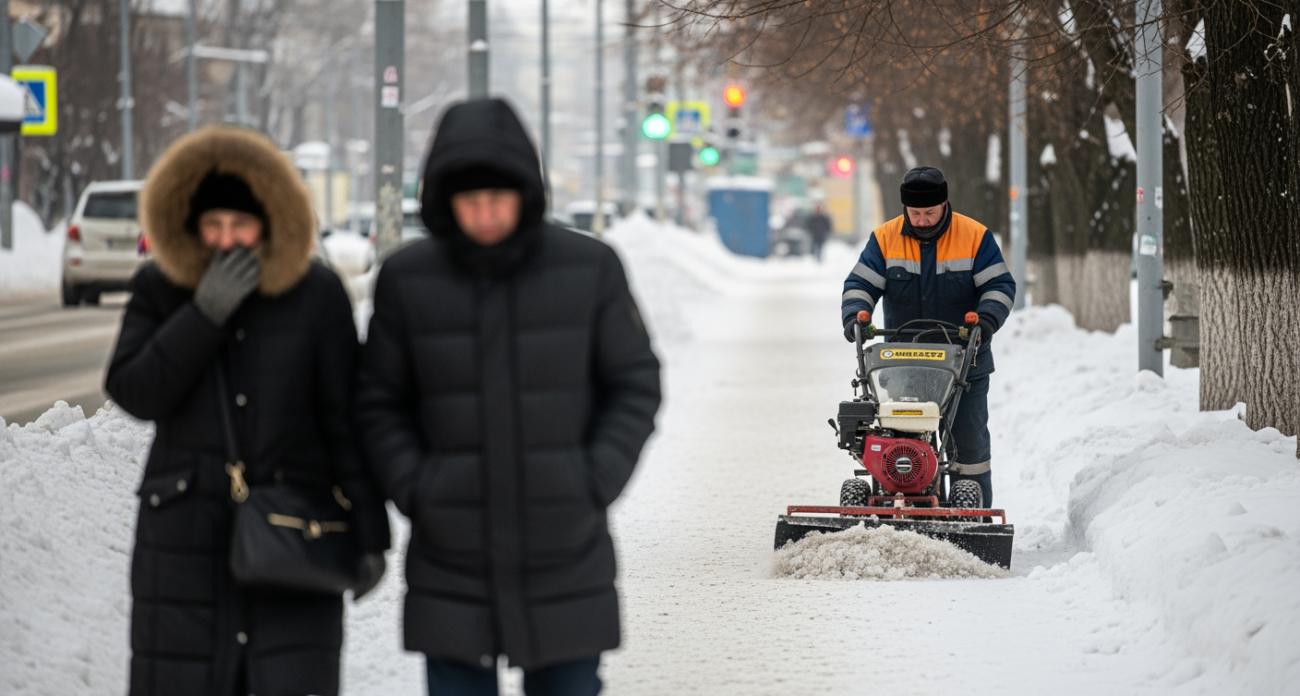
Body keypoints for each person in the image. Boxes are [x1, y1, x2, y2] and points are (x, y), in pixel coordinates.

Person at [356, 98, 662, 696]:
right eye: (470, 200)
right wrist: (416, 484)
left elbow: (634, 382)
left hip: (565, 543)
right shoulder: (407, 279)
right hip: (450, 547)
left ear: (527, 191)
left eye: (499, 197)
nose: (486, 213)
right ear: (444, 199)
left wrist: (593, 479)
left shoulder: (589, 267)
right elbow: (377, 399)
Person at [106, 126, 390, 696]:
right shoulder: (161, 288)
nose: (227, 241)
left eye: (242, 225)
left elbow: (345, 420)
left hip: (293, 531)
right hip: (184, 538)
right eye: (213, 226)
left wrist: (369, 531)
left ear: (271, 221)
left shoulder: (316, 294)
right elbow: (134, 390)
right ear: (189, 224)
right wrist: (202, 315)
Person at [839, 166, 1015, 507]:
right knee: (905, 441)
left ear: (944, 203)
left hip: (966, 361)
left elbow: (1000, 285)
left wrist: (986, 319)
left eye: (929, 212)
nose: (921, 220)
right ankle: (905, 508)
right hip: (905, 365)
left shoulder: (974, 236)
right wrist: (856, 316)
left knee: (968, 447)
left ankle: (972, 518)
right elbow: (859, 284)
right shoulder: (885, 238)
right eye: (914, 213)